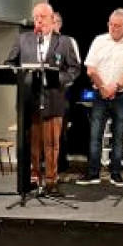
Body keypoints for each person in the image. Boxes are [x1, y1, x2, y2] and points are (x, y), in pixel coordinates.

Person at [5, 2, 80, 194]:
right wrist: (20, 74)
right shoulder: (23, 39)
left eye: (43, 17)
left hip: (53, 99)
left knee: (52, 143)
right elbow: (9, 63)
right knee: (33, 142)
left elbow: (74, 69)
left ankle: (51, 180)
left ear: (52, 19)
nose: (39, 20)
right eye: (36, 17)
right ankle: (34, 176)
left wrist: (57, 79)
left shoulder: (63, 42)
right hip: (29, 100)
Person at [78, 8, 123, 187]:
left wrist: (115, 87)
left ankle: (115, 173)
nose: (113, 28)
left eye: (118, 25)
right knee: (95, 135)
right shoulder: (99, 41)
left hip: (122, 95)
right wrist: (103, 87)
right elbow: (90, 68)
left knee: (118, 134)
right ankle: (93, 173)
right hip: (100, 94)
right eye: (111, 24)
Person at [53, 11, 81, 174]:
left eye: (55, 21)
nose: (52, 24)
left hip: (61, 91)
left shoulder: (68, 42)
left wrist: (62, 81)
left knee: (60, 130)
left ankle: (61, 164)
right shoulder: (40, 42)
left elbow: (75, 67)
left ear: (60, 24)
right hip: (41, 94)